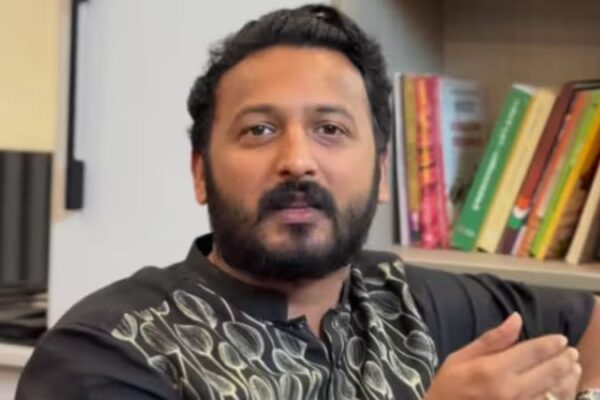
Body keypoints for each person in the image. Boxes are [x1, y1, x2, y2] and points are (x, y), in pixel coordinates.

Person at [16, 4, 600, 400]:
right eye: (259, 130)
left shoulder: (410, 301)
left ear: (381, 173)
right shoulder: (107, 354)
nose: (297, 160)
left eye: (331, 129)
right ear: (200, 173)